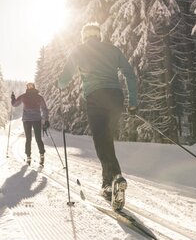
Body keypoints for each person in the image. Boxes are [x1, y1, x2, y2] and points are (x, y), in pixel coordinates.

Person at [58, 23, 137, 210]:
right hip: (116, 97)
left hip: (95, 97)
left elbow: (65, 78)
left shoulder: (79, 50)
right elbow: (130, 74)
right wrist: (133, 102)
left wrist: (59, 84)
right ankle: (107, 183)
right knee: (106, 140)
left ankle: (115, 178)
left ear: (85, 36)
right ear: (99, 35)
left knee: (101, 141)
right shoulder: (113, 50)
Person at [11, 83, 49, 165]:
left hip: (28, 120)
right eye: (29, 86)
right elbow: (44, 109)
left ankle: (29, 157)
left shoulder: (24, 96)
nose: (30, 87)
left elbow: (14, 104)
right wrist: (45, 119)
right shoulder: (38, 97)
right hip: (35, 120)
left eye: (30, 86)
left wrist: (13, 99)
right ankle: (40, 156)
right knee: (37, 138)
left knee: (29, 139)